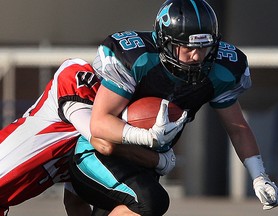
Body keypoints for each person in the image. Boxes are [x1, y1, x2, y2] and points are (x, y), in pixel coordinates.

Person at [68, 0, 278, 215]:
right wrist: (147, 136)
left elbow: (237, 127)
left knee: (145, 205)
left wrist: (259, 177)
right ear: (165, 42)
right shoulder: (138, 59)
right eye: (188, 47)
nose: (197, 56)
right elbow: (99, 123)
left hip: (145, 163)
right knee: (150, 203)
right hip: (99, 154)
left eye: (204, 47)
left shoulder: (219, 70)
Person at [0, 57, 171, 216]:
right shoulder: (77, 76)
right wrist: (159, 158)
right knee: (149, 202)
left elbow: (74, 203)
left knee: (145, 203)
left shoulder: (81, 145)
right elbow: (104, 143)